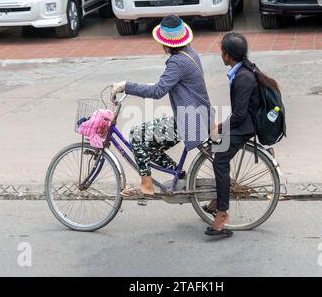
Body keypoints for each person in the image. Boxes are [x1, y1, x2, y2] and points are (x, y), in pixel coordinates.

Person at [111, 15, 214, 198]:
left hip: (189, 121)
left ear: (165, 43)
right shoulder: (189, 53)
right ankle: (179, 175)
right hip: (198, 115)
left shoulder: (177, 62)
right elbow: (166, 83)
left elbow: (158, 92)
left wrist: (127, 86)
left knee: (137, 135)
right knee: (147, 144)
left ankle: (146, 184)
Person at [207, 32, 280, 236]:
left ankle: (222, 213)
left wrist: (220, 127)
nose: (220, 54)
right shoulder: (244, 69)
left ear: (228, 55)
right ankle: (219, 196)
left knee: (220, 161)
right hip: (244, 122)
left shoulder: (243, 77)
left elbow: (239, 115)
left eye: (222, 51)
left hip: (246, 126)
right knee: (215, 150)